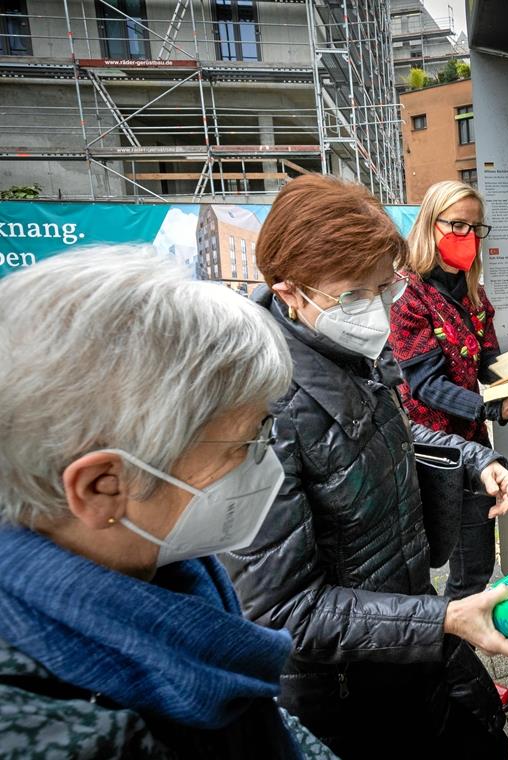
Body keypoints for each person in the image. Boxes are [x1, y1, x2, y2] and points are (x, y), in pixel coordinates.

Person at [223, 174, 508, 760]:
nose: (377, 311)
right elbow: (285, 610)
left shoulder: (348, 350)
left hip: (401, 628)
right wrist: (441, 619)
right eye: (355, 295)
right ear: (290, 291)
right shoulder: (258, 410)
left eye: (383, 289)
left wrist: (471, 457)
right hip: (346, 686)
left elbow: (388, 431)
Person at [0, 247, 334, 759]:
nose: (264, 461)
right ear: (102, 486)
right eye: (245, 442)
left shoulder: (170, 572)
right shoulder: (61, 731)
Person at [390, 180, 508, 604]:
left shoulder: (472, 290)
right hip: (433, 449)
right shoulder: (408, 298)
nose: (468, 237)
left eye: (476, 227)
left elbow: (488, 363)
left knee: (477, 567)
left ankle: (460, 660)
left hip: (473, 441)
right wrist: (490, 407)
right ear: (430, 224)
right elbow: (424, 386)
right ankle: (449, 657)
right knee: (438, 574)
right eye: (457, 225)